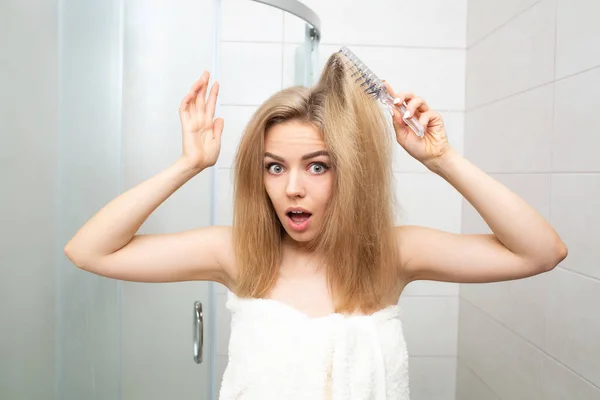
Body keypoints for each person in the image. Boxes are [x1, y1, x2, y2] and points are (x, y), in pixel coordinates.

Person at [64, 51, 568, 400]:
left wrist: (443, 159)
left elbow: (540, 252)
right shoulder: (238, 254)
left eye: (318, 166)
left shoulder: (391, 255)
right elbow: (90, 251)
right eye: (275, 166)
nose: (292, 188)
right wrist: (188, 165)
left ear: (349, 173)